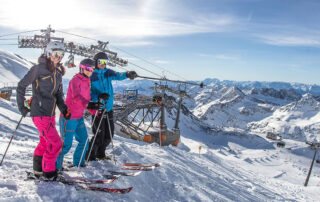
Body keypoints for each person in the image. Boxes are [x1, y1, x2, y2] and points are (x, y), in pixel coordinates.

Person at [16, 41, 71, 180]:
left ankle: (39, 170)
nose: (58, 57)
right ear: (48, 53)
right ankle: (49, 173)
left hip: (50, 114)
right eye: (55, 54)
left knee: (45, 142)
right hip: (39, 113)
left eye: (61, 54)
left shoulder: (58, 73)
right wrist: (21, 107)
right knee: (55, 143)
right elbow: (21, 86)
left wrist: (64, 109)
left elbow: (58, 95)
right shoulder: (38, 69)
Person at [86, 52, 137, 161]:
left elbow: (118, 75)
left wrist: (127, 74)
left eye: (105, 62)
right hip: (98, 109)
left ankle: (100, 154)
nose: (103, 64)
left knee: (109, 135)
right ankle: (90, 156)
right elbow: (89, 92)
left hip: (108, 108)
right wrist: (98, 98)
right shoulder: (92, 75)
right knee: (99, 134)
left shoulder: (108, 72)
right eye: (101, 62)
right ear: (96, 62)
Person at [56, 58, 103, 169]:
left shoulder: (87, 81)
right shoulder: (75, 80)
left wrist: (96, 111)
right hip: (68, 117)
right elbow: (77, 98)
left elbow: (86, 100)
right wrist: (89, 105)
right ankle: (54, 167)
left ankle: (79, 163)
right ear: (81, 68)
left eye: (92, 69)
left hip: (78, 118)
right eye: (88, 68)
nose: (90, 71)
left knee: (84, 141)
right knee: (66, 145)